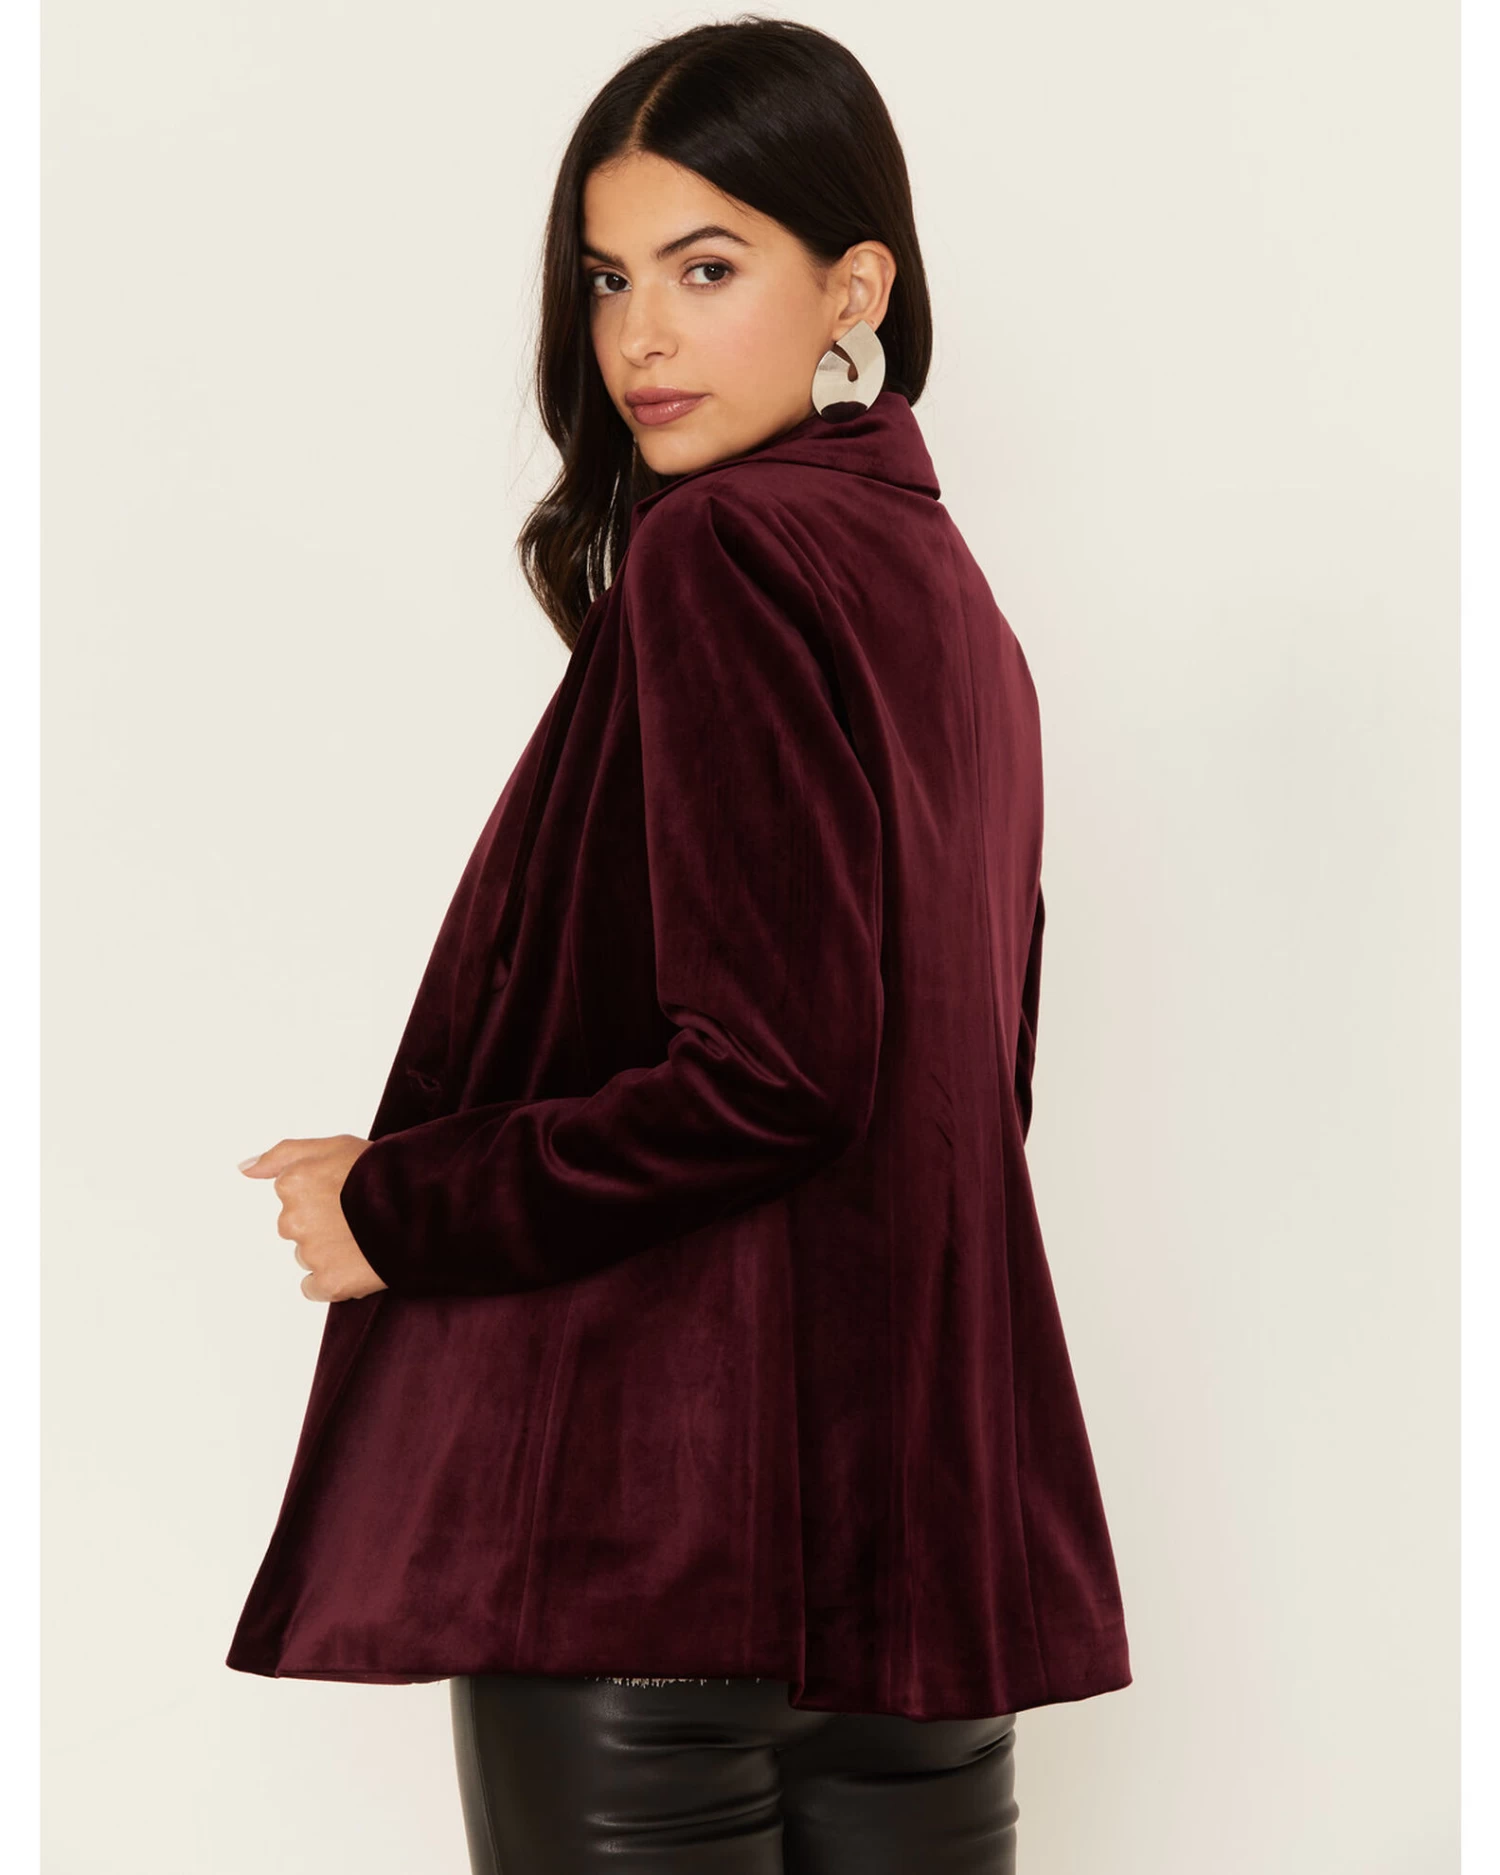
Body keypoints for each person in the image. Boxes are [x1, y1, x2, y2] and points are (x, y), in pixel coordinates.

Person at [227, 17, 1131, 1871]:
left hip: (656, 1563)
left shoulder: (723, 553)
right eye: (607, 278)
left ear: (853, 287)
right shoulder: (955, 603)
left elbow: (777, 1081)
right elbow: (967, 1090)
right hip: (918, 1590)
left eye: (706, 269)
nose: (639, 336)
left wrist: (402, 1204)